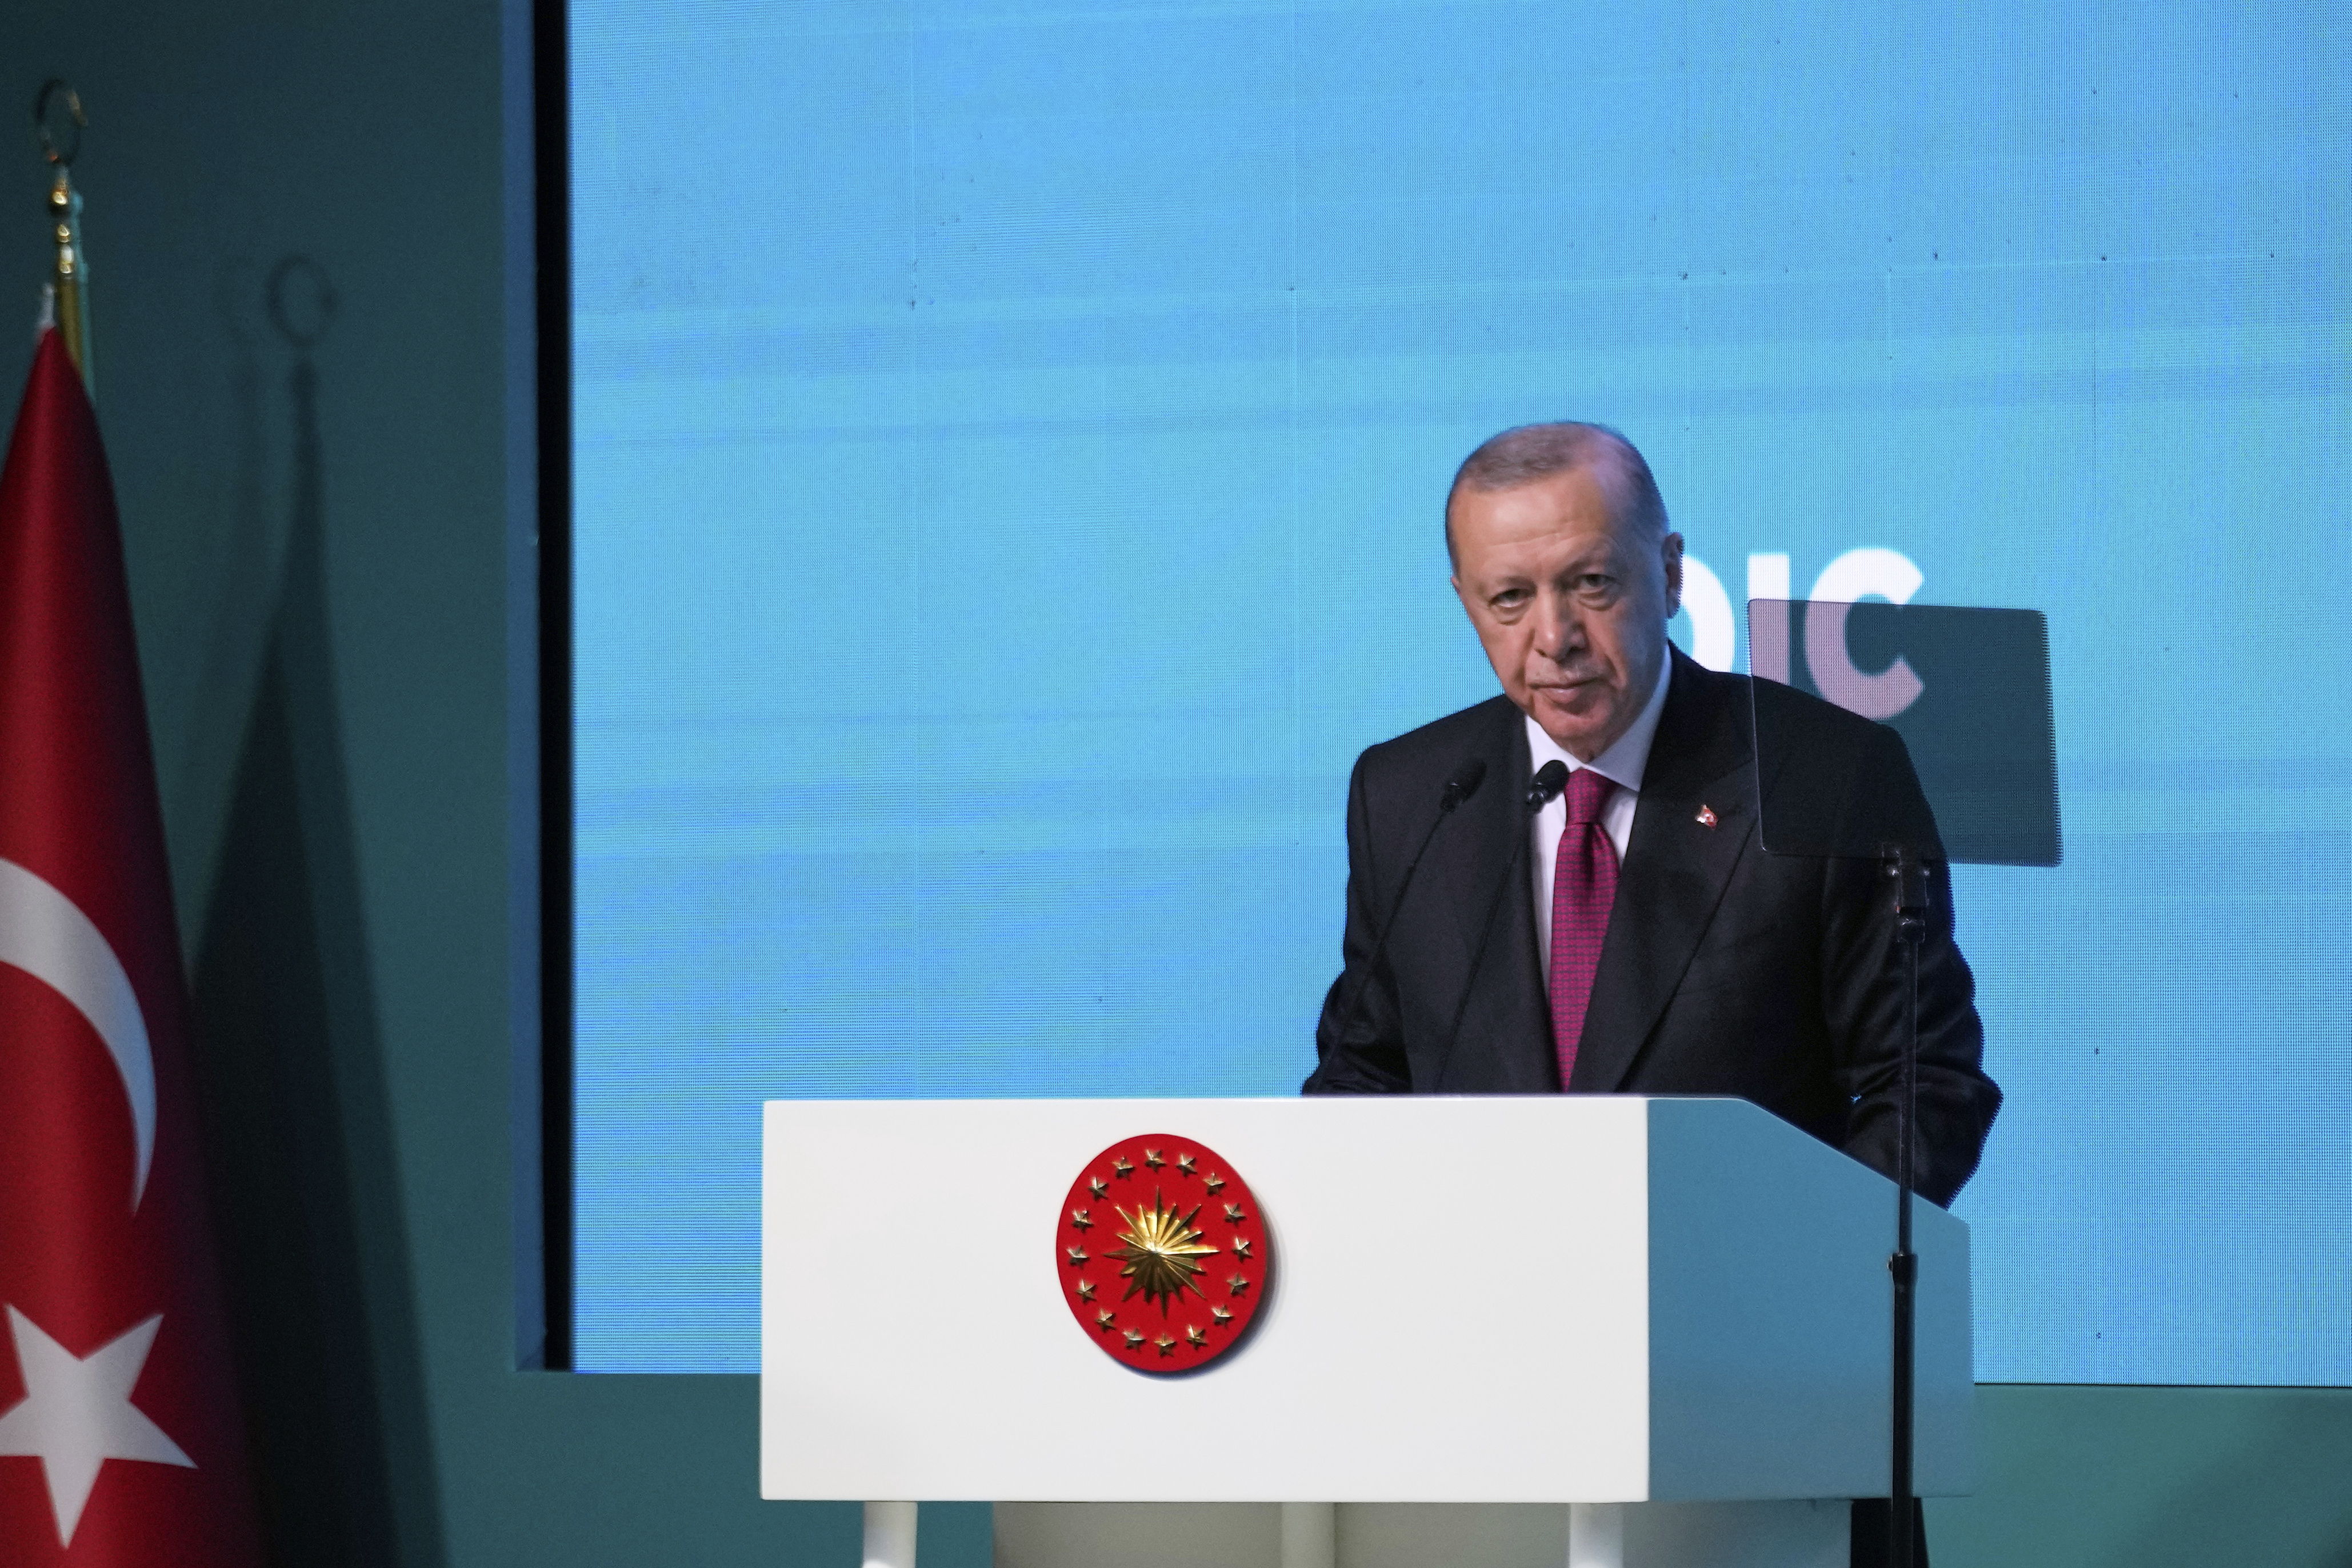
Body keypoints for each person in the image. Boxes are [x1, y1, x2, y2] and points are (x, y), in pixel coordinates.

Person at [1301, 421, 1999, 1567]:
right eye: (1508, 599)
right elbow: (1363, 1077)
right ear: (1465, 602)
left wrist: (1774, 1293)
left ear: (1669, 573)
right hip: (1477, 1417)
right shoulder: (1412, 791)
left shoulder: (1822, 773)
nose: (1555, 640)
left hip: (1759, 1419)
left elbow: (1926, 1089)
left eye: (1591, 584)